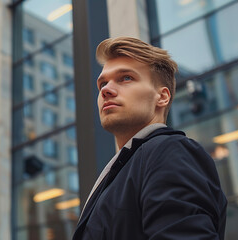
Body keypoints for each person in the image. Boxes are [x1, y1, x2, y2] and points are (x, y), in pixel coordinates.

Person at [72, 37, 227, 240]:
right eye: (102, 83)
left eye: (126, 78)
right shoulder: (127, 168)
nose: (105, 90)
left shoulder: (169, 150)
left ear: (162, 97)